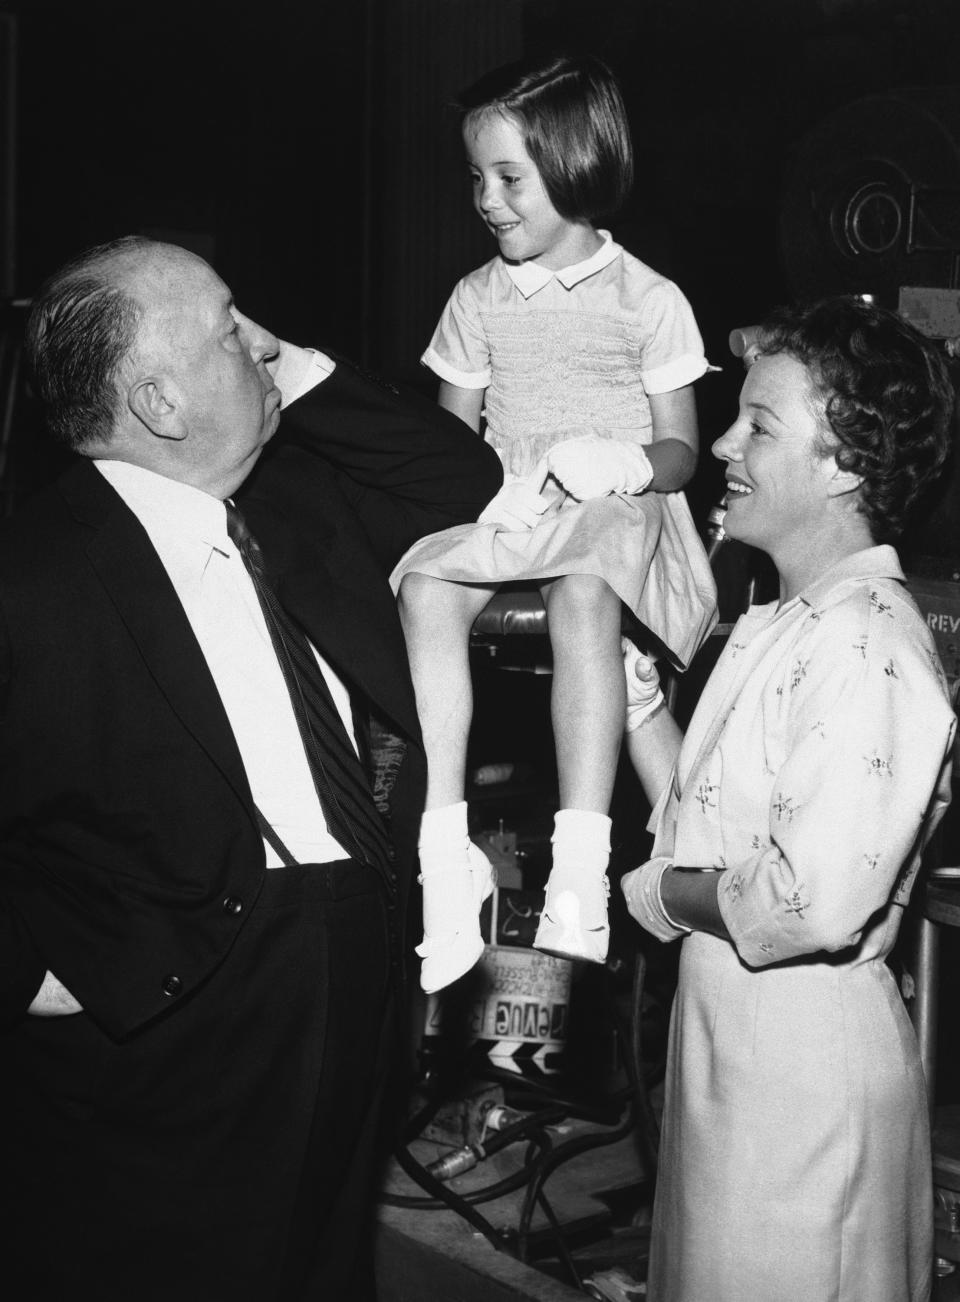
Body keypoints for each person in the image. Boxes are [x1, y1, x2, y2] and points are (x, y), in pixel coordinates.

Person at [0, 235, 502, 1301]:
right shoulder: (33, 575)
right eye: (229, 329)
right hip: (175, 1003)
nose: (257, 344)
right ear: (162, 403)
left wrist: (293, 362)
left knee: (320, 1269)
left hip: (357, 951)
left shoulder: (297, 501)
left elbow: (461, 474)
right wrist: (37, 978)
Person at [621, 296, 957, 1301]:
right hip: (732, 1040)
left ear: (846, 460)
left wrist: (657, 895)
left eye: (760, 423)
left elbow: (808, 901)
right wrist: (638, 703)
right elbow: (714, 819)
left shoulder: (871, 644)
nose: (722, 440)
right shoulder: (786, 620)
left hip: (804, 1067)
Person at [389, 53, 717, 993]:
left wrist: (623, 464)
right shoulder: (475, 299)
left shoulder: (647, 300)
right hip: (513, 506)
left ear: (572, 167)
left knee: (585, 587)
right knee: (422, 580)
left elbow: (682, 453)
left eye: (508, 177)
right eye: (475, 177)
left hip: (618, 513)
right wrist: (479, 491)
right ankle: (443, 849)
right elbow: (449, 444)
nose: (486, 200)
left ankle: (582, 865)